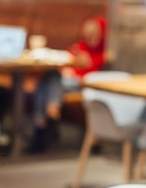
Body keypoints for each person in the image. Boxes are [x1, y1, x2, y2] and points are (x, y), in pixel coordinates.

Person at [28, 15, 107, 153]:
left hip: (82, 85)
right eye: (88, 31)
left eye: (94, 32)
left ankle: (41, 126)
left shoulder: (103, 52)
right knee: (48, 80)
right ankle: (51, 108)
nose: (90, 35)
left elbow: (92, 70)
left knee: (50, 79)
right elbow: (67, 57)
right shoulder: (80, 46)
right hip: (66, 81)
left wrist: (80, 68)